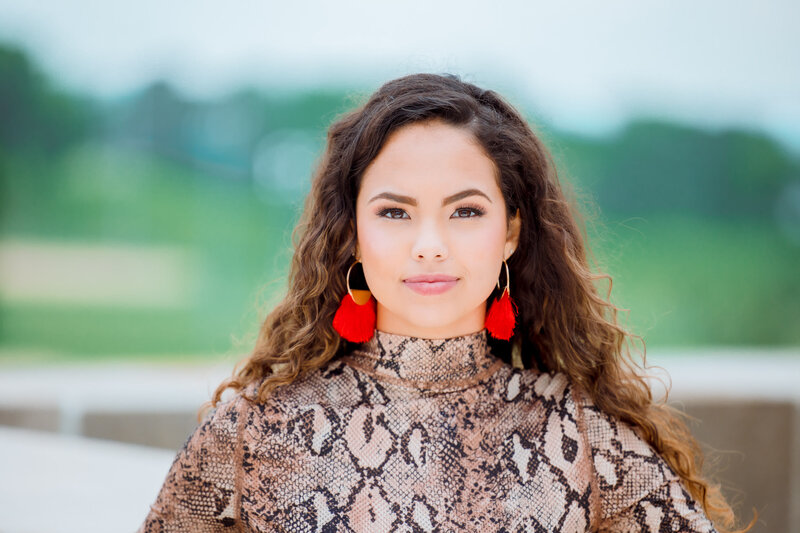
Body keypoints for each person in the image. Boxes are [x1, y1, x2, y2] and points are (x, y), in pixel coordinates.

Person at [138, 73, 750, 532]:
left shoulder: (583, 434)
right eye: (395, 212)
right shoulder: (251, 431)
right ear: (351, 229)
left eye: (464, 211)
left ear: (510, 230)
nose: (429, 246)